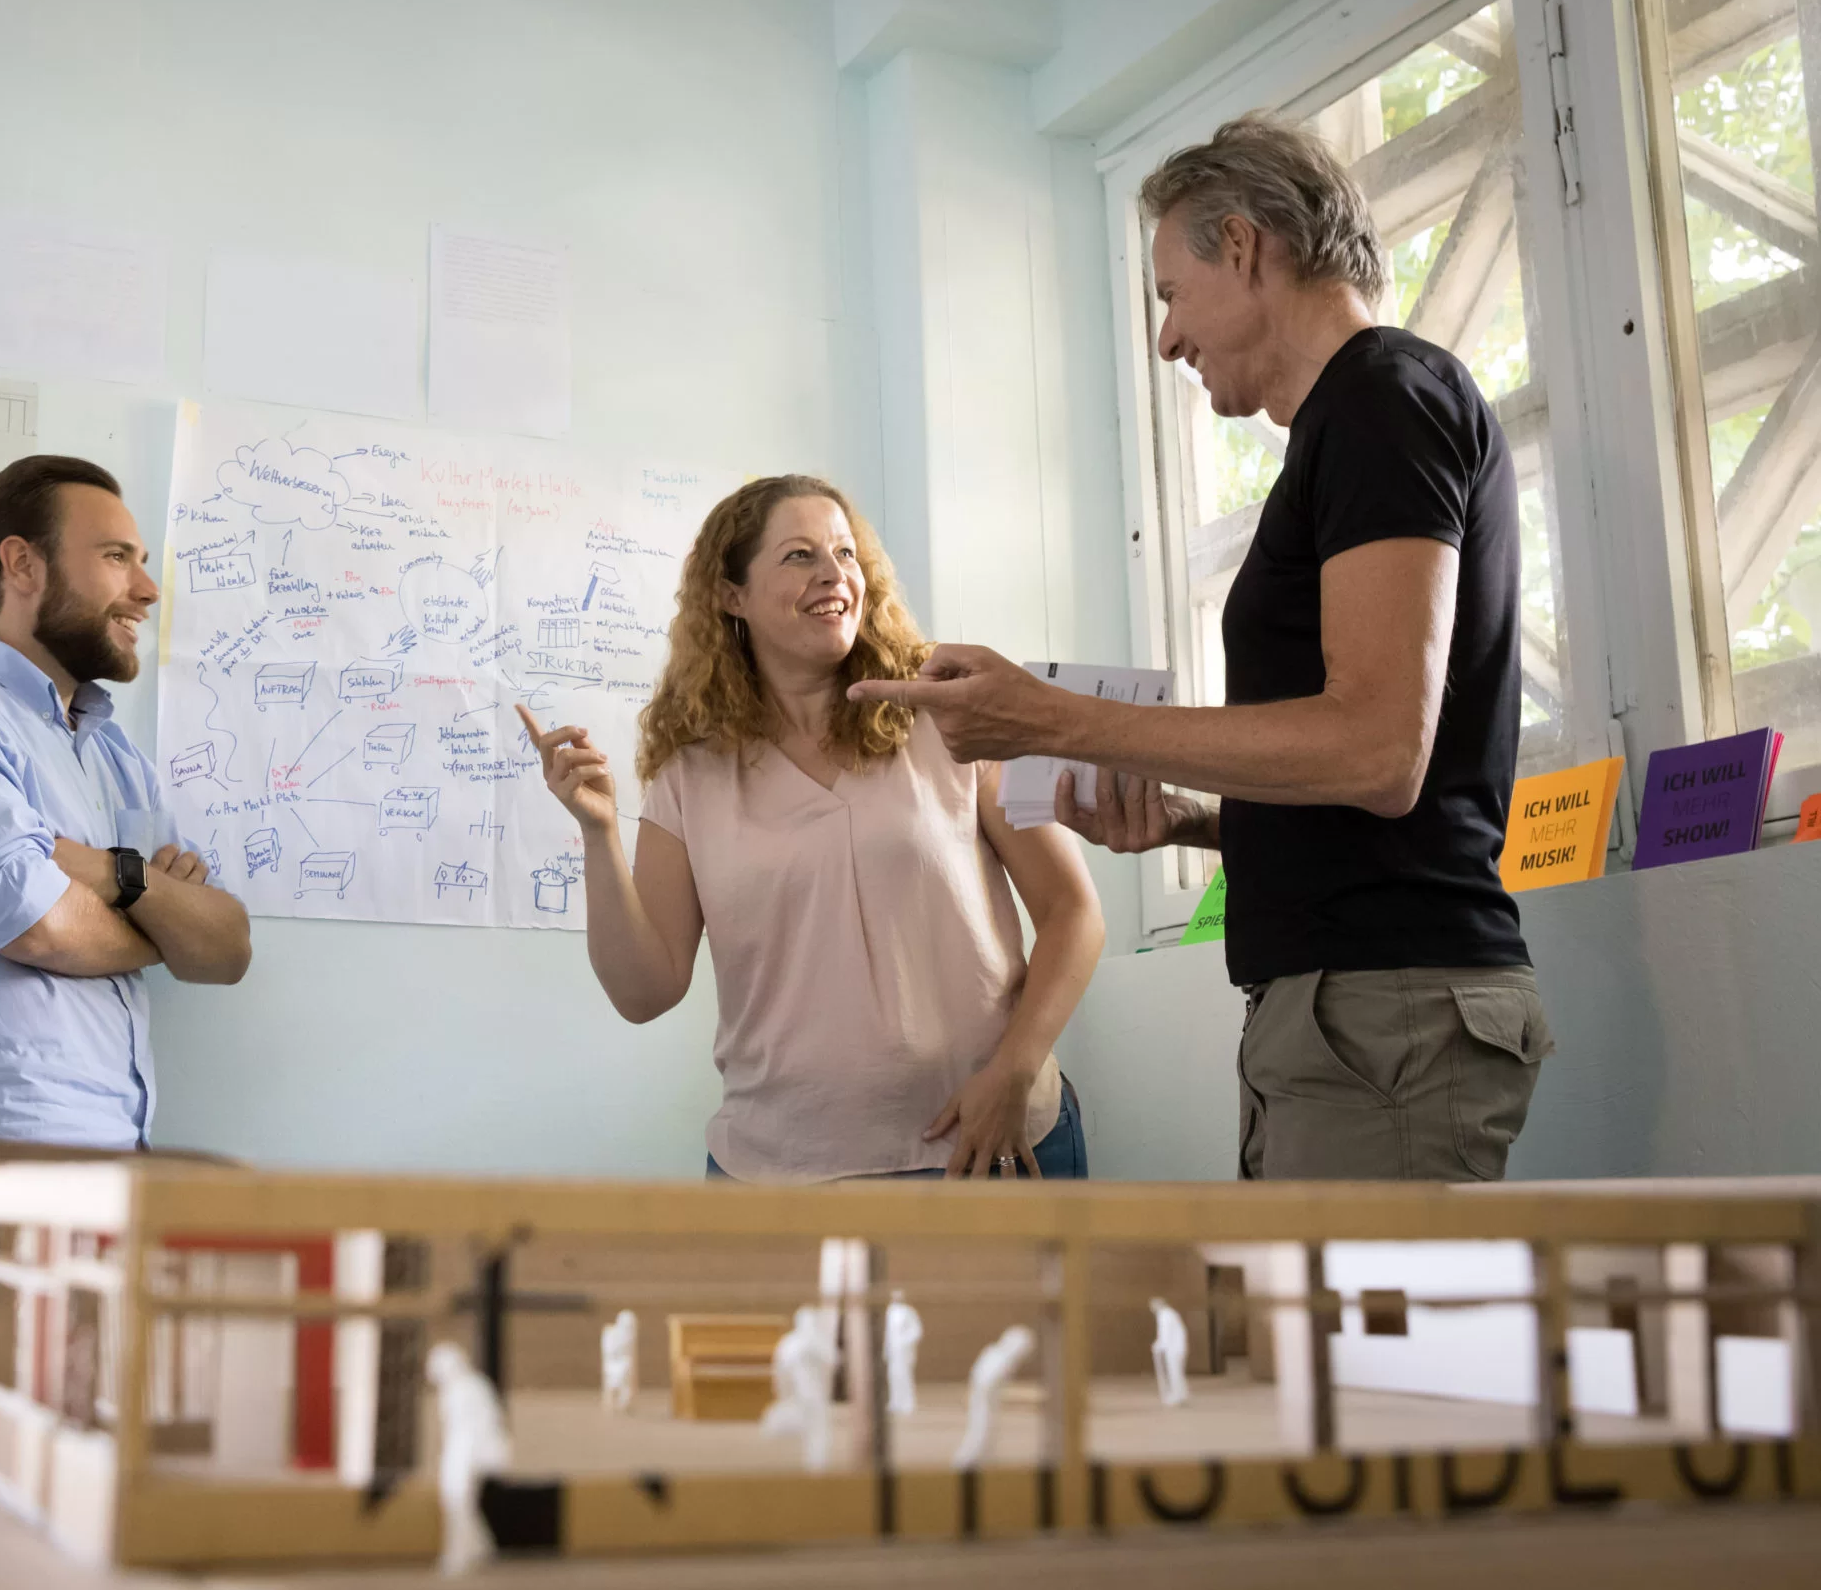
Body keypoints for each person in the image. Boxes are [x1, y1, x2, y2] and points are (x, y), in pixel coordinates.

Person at [849, 113, 1554, 1183]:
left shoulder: (1380, 399)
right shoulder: (1347, 426)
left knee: (1350, 1358)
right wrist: (1189, 819)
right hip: (1348, 1014)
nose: (1166, 340)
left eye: (1170, 294)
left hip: (1383, 1012)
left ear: (1242, 245)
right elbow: (1377, 790)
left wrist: (1047, 718)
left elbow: (1375, 749)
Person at [523, 473, 1105, 1182]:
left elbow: (1073, 909)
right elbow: (645, 992)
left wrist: (1012, 1074)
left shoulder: (951, 718)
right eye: (799, 555)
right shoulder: (689, 777)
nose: (835, 574)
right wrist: (598, 833)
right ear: (730, 596)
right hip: (782, 1176)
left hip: (989, 1144)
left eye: (846, 553)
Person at [0, 454, 252, 1339]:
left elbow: (223, 948)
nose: (147, 589)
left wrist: (113, 874)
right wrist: (156, 912)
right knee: (10, 1468)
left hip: (113, 1175)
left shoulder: (116, 759)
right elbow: (38, 925)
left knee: (92, 1468)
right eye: (117, 556)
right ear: (22, 566)